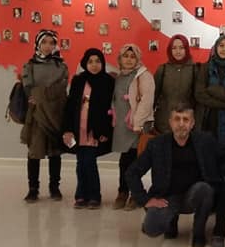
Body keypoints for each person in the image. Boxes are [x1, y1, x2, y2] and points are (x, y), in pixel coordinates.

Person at [125, 102, 219, 247]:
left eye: (186, 119)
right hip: (166, 198)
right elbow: (132, 172)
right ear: (170, 122)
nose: (181, 124)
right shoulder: (156, 144)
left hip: (192, 195)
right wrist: (145, 199)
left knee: (205, 189)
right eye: (177, 119)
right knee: (151, 229)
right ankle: (171, 221)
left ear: (192, 123)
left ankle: (198, 233)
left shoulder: (204, 141)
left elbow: (224, 155)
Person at [62, 49, 115, 209]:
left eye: (97, 61)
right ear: (85, 63)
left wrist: (106, 131)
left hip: (95, 131)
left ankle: (94, 196)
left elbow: (110, 109)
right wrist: (67, 129)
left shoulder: (107, 81)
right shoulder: (78, 80)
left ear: (103, 63)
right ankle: (80, 196)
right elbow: (70, 106)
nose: (94, 65)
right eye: (90, 61)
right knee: (80, 163)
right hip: (79, 129)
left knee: (90, 162)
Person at [20, 30, 68, 202]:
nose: (48, 46)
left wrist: (42, 95)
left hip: (55, 114)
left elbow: (61, 90)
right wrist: (40, 96)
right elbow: (29, 90)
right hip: (37, 115)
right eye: (44, 42)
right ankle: (33, 189)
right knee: (35, 152)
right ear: (38, 44)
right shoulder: (30, 65)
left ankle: (54, 187)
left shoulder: (61, 66)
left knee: (55, 153)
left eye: (51, 42)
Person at [111, 44, 155, 210]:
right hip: (122, 126)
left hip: (137, 126)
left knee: (135, 162)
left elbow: (146, 101)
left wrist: (138, 123)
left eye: (132, 57)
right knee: (124, 160)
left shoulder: (143, 76)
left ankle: (135, 195)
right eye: (125, 56)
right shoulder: (118, 76)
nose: (129, 60)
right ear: (120, 58)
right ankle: (122, 192)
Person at [194, 33, 225, 145]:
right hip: (206, 118)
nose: (224, 49)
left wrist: (212, 89)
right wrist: (223, 104)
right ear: (216, 47)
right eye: (221, 45)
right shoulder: (205, 67)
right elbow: (199, 94)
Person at [152, 35, 196, 133]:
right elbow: (153, 96)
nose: (178, 51)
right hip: (164, 123)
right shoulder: (163, 69)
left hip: (186, 124)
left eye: (181, 48)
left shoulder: (194, 69)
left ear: (186, 49)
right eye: (174, 48)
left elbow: (197, 99)